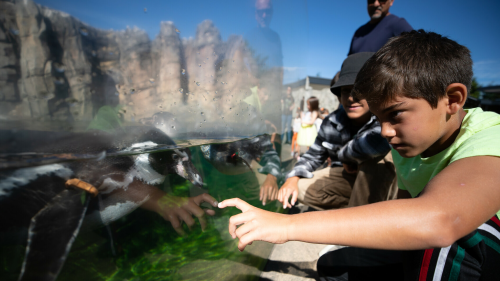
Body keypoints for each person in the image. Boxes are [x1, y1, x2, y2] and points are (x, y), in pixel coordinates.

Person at [219, 30, 500, 280]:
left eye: (395, 115)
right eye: (379, 119)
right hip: (425, 246)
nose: (386, 132)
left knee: (454, 239)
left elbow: (441, 220)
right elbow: (404, 206)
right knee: (335, 265)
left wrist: (286, 225)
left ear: (452, 100)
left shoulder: (491, 137)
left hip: (478, 254)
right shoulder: (407, 142)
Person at [279, 52, 397, 211]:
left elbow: (374, 144)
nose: (351, 98)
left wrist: (345, 156)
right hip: (344, 178)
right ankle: (355, 209)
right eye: (345, 91)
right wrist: (292, 178)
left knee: (377, 160)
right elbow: (314, 155)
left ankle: (364, 221)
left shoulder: (385, 118)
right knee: (296, 189)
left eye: (359, 90)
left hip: (383, 182)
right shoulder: (331, 122)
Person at [348, 0, 412, 55]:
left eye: (382, 0)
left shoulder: (398, 24)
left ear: (391, 1)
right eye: (371, 0)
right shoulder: (358, 32)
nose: (376, 4)